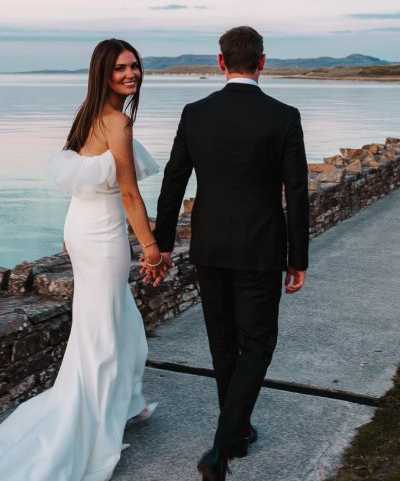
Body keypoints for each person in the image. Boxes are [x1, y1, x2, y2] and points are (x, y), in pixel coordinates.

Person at [0, 39, 169, 480]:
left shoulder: (88, 113)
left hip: (80, 226)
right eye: (120, 69)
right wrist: (150, 249)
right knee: (102, 329)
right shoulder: (116, 122)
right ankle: (88, 423)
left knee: (117, 320)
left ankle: (124, 402)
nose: (131, 75)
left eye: (135, 66)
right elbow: (130, 192)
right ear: (103, 74)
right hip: (103, 234)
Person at [151, 26, 309, 480]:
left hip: (209, 246)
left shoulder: (195, 113)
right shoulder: (284, 116)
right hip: (261, 247)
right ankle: (222, 446)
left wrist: (162, 244)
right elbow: (296, 193)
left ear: (220, 62)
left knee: (224, 343)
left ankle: (235, 433)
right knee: (257, 344)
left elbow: (174, 180)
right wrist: (298, 257)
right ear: (263, 62)